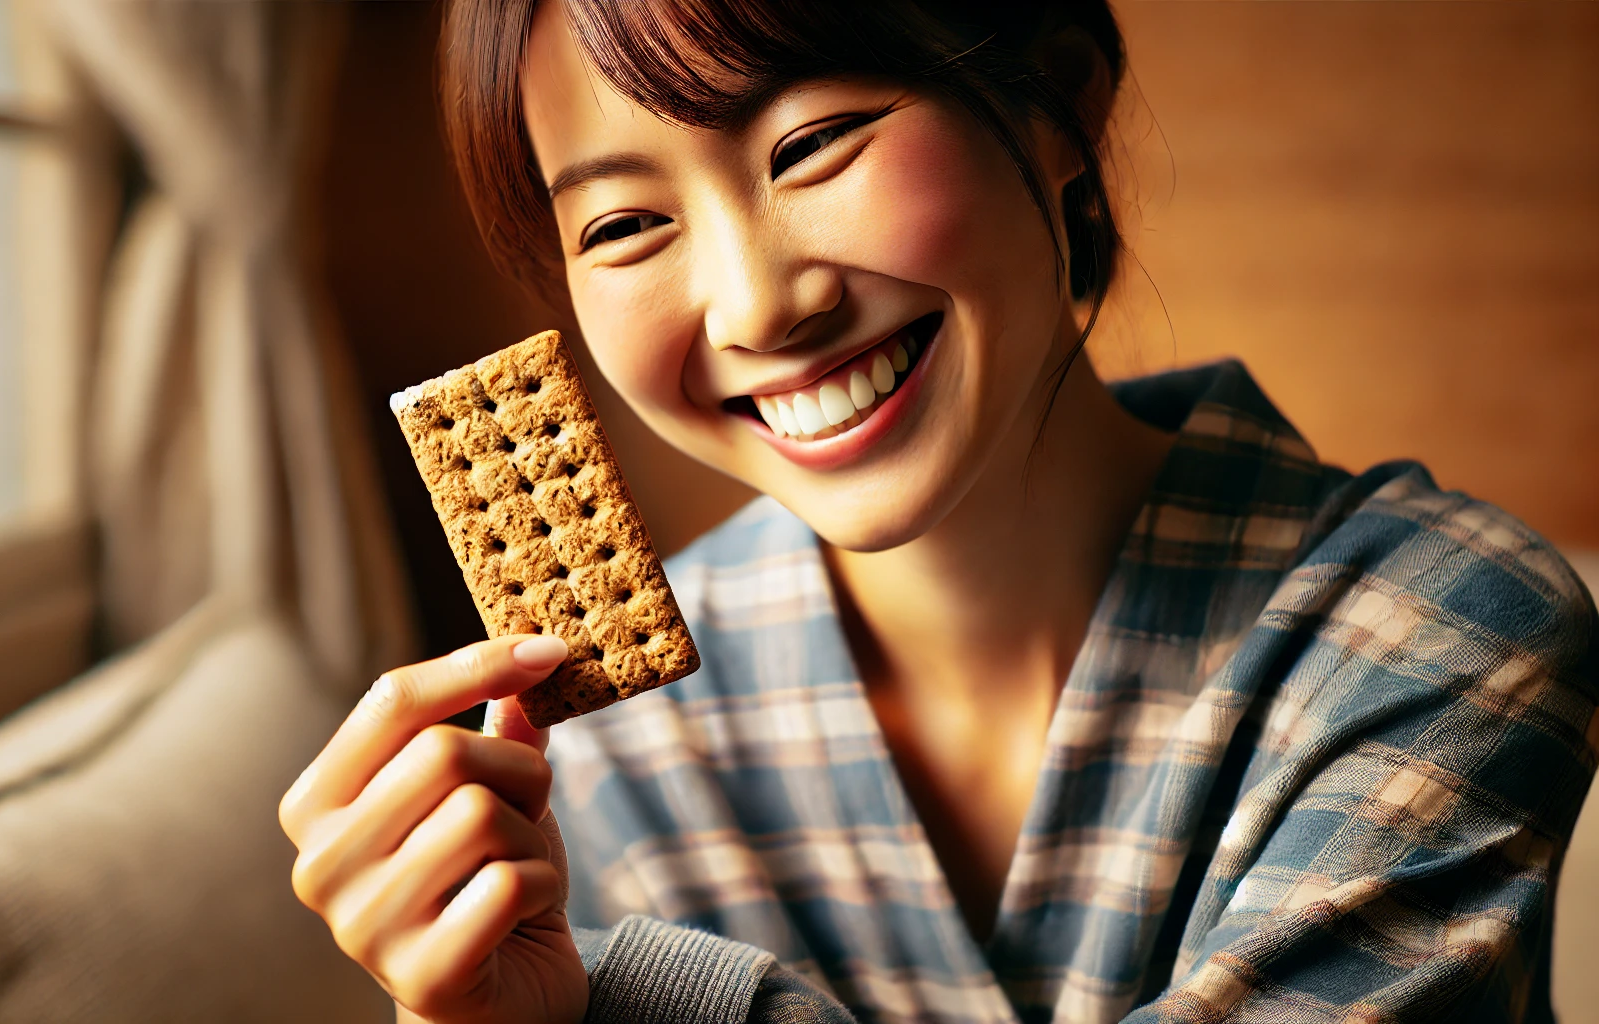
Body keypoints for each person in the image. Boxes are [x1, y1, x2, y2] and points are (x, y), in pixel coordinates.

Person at [278, 2, 1598, 1021]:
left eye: (811, 145)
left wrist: (627, 1005)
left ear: (1057, 106)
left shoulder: (1446, 629)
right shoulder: (610, 759)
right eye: (625, 226)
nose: (756, 306)